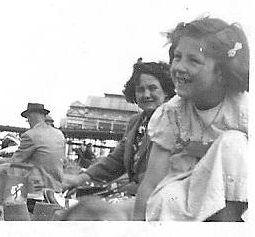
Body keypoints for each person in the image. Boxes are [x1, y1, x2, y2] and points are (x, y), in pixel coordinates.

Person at [133, 18, 248, 221]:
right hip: (186, 190)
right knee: (165, 196)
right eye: (177, 57)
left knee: (233, 143)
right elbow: (151, 181)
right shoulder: (172, 113)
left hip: (235, 200)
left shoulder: (242, 109)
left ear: (221, 72)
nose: (179, 67)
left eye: (193, 60)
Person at [63, 60, 175, 195]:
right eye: (140, 89)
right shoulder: (136, 122)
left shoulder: (173, 121)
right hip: (135, 195)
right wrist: (80, 179)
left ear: (166, 92)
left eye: (152, 88)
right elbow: (117, 160)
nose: (146, 94)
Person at [0, 103, 67, 192]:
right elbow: (63, 162)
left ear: (30, 116)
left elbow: (14, 162)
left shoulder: (30, 135)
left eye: (27, 119)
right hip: (56, 188)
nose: (28, 122)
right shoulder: (59, 135)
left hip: (37, 191)